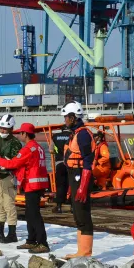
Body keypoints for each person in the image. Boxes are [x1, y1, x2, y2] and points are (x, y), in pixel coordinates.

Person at [0, 123, 50, 253]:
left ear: (25, 134)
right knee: (30, 213)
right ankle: (31, 240)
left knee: (34, 215)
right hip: (38, 184)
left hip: (32, 185)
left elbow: (14, 163)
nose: (19, 135)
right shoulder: (38, 147)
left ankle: (42, 243)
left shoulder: (28, 149)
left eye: (20, 133)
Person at [62, 101, 95, 258]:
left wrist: (83, 185)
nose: (65, 121)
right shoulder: (75, 133)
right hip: (74, 176)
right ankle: (81, 251)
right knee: (77, 213)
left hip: (81, 176)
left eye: (66, 118)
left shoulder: (82, 134)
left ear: (73, 117)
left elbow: (88, 161)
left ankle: (85, 252)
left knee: (82, 214)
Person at [0, 114, 22, 242]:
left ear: (11, 128)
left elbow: (14, 162)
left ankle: (12, 233)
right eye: (1, 128)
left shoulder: (15, 143)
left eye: (5, 129)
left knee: (8, 204)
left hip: (9, 176)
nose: (2, 131)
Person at [51, 125, 72, 214]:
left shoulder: (55, 136)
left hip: (59, 163)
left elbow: (50, 150)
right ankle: (73, 207)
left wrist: (57, 152)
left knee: (60, 185)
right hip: (71, 163)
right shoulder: (73, 135)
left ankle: (59, 207)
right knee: (72, 185)